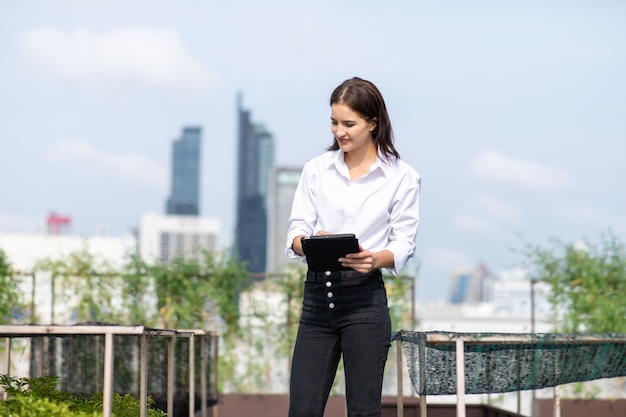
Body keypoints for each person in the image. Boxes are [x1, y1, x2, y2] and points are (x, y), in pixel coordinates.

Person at [285, 76, 421, 417]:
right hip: (317, 300)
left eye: (349, 123)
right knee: (302, 410)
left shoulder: (402, 177)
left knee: (362, 411)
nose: (339, 132)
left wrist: (374, 259)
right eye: (334, 122)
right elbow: (295, 233)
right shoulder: (315, 170)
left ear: (373, 123)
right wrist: (312, 244)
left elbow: (404, 243)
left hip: (364, 301)